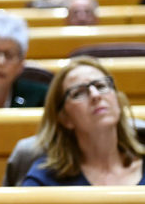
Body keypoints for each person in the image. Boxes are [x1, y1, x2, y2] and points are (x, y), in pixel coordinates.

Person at [22, 56, 145, 186]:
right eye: (79, 93)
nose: (95, 95)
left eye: (101, 86)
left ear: (117, 101)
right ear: (64, 118)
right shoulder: (44, 181)